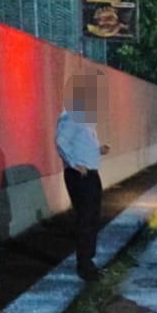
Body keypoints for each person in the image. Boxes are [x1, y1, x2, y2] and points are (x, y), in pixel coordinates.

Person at [55, 73, 110, 282]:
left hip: (91, 173)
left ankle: (89, 261)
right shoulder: (72, 115)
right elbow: (61, 141)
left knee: (93, 217)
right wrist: (74, 164)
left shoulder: (85, 118)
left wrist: (98, 149)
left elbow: (80, 144)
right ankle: (84, 264)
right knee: (86, 218)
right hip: (81, 176)